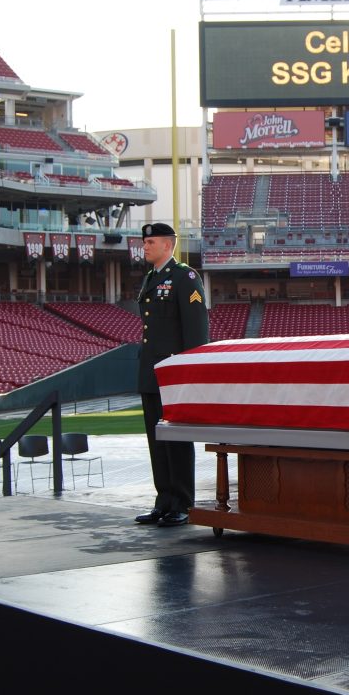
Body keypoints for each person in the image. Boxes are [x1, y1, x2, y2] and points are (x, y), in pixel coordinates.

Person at [133, 222, 209, 527]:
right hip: (151, 372)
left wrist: (190, 372)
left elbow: (196, 329)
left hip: (174, 373)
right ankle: (163, 500)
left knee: (176, 439)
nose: (145, 246)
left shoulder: (184, 277)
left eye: (151, 242)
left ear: (168, 245)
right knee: (156, 439)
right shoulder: (151, 278)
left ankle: (182, 502)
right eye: (145, 242)